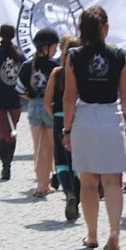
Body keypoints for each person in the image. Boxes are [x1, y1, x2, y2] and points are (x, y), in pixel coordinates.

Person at [62, 6, 126, 250]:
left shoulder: (72, 56)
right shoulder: (118, 55)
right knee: (112, 180)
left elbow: (69, 97)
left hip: (83, 119)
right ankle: (114, 234)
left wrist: (66, 129)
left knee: (88, 181)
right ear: (104, 29)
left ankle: (92, 234)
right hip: (110, 117)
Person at [18, 28, 60, 197]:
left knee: (38, 147)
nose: (56, 50)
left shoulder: (27, 65)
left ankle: (40, 185)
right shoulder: (55, 66)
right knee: (50, 148)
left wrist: (31, 97)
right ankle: (46, 184)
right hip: (49, 106)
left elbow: (19, 89)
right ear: (46, 47)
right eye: (55, 46)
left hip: (34, 106)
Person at [45, 35, 82, 221]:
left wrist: (55, 117)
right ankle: (76, 198)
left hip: (60, 119)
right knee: (78, 162)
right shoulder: (82, 72)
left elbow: (47, 101)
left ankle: (69, 193)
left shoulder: (57, 73)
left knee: (61, 161)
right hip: (79, 120)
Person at [0, 25, 24, 180]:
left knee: (1, 133)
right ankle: (9, 162)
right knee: (11, 133)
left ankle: (5, 165)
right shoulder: (20, 55)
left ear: (0, 35)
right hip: (15, 99)